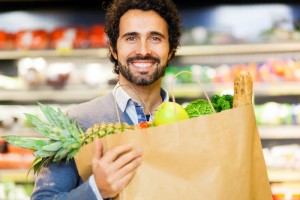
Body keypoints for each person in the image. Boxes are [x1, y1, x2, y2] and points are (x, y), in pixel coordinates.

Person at [31, 0, 182, 199]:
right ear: (113, 49)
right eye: (131, 38)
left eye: (155, 38)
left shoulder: (191, 123)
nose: (144, 50)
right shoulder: (76, 121)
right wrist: (96, 190)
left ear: (170, 50)